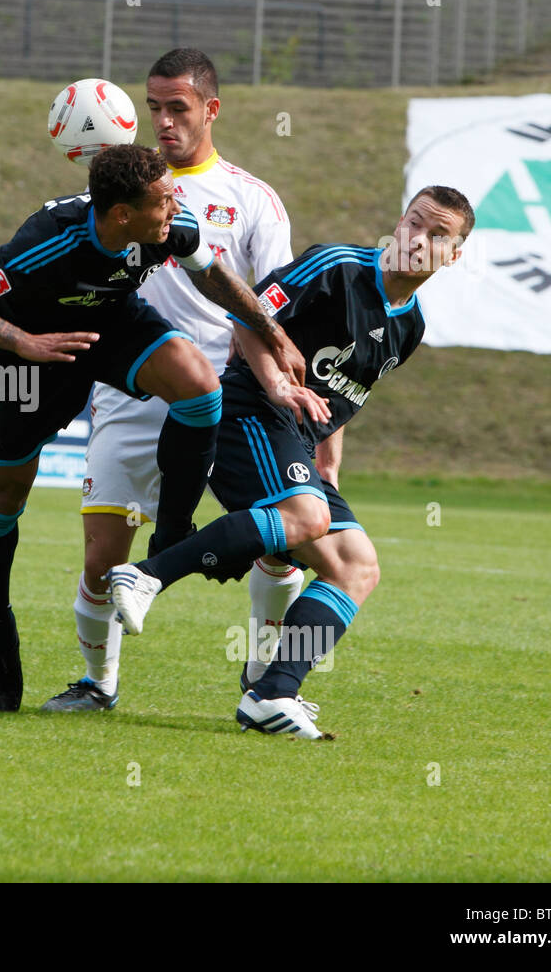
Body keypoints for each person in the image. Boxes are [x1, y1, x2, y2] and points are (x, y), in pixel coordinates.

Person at [0, 143, 313, 711]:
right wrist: (22, 342)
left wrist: (271, 331)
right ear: (122, 215)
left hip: (111, 326)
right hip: (34, 359)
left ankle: (172, 533)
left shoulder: (170, 226)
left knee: (201, 386)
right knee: (5, 493)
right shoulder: (49, 239)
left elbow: (215, 277)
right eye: (163, 198)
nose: (176, 203)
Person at [107, 186, 476, 738]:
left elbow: (347, 395)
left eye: (438, 236)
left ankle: (273, 692)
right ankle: (144, 576)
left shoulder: (410, 325)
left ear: (454, 254)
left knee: (357, 565)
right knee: (307, 519)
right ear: (399, 222)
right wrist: (278, 384)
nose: (420, 241)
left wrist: (330, 467)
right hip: (247, 411)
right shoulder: (336, 267)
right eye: (415, 223)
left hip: (296, 443)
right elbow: (244, 318)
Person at [41, 48, 307, 714]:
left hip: (228, 394)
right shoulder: (121, 187)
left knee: (282, 542)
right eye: (153, 106)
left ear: (211, 109)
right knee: (103, 558)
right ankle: (98, 686)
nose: (161, 120)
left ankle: (265, 665)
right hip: (129, 392)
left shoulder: (252, 201)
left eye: (177, 107)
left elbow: (273, 305)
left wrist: (278, 385)